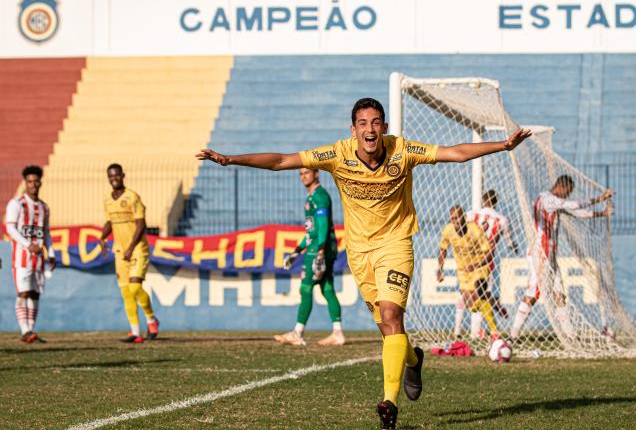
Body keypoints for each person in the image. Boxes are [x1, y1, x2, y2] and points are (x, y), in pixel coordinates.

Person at [197, 97, 531, 429]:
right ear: (353, 130)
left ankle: (389, 404)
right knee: (388, 331)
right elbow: (281, 160)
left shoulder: (403, 151)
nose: (369, 129)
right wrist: (230, 160)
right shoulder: (337, 154)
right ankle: (414, 360)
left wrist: (504, 145)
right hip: (359, 252)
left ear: (383, 128)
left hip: (396, 244)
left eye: (375, 123)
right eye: (363, 123)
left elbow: (455, 153)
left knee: (391, 314)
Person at [510, 175, 613, 342]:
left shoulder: (555, 203)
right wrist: (599, 199)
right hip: (540, 254)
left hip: (550, 255)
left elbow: (577, 212)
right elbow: (572, 205)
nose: (568, 195)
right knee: (534, 293)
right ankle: (513, 334)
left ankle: (571, 335)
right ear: (561, 186)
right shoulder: (547, 199)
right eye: (568, 191)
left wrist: (601, 213)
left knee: (559, 293)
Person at [274, 167, 345, 346]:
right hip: (320, 247)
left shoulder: (319, 196)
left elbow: (322, 228)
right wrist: (296, 252)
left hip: (319, 250)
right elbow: (311, 233)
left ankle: (297, 333)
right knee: (327, 288)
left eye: (307, 172)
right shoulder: (312, 197)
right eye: (301, 173)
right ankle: (338, 333)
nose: (303, 176)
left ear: (316, 174)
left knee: (305, 288)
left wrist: (320, 251)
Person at [99, 163, 159, 343]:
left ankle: (151, 318)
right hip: (120, 252)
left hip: (137, 250)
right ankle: (135, 332)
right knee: (126, 292)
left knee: (135, 288)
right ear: (108, 178)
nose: (114, 178)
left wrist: (131, 248)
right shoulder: (107, 200)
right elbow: (110, 222)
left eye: (117, 175)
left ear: (123, 175)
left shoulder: (132, 197)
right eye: (111, 176)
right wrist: (102, 238)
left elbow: (141, 224)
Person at [4, 165, 56, 343]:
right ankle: (24, 330)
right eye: (29, 181)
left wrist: (51, 254)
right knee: (23, 293)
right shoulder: (16, 203)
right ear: (25, 183)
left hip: (39, 260)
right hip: (21, 259)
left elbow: (46, 232)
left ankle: (31, 330)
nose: (33, 184)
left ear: (40, 182)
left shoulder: (44, 207)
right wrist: (28, 245)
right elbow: (9, 228)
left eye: (36, 181)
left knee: (35, 294)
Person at [436, 205, 499, 342]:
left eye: (458, 217)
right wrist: (440, 269)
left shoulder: (475, 230)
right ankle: (479, 330)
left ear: (464, 217)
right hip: (463, 271)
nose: (455, 221)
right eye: (452, 218)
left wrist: (475, 265)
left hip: (479, 267)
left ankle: (494, 332)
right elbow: (443, 249)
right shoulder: (448, 231)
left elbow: (489, 254)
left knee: (478, 292)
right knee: (471, 301)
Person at [466, 189, 517, 326]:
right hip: (487, 260)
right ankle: (480, 328)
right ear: (496, 201)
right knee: (483, 292)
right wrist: (514, 247)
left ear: (484, 200)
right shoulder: (502, 219)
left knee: (466, 291)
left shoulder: (472, 214)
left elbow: (459, 227)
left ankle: (458, 331)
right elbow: (510, 242)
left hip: (470, 257)